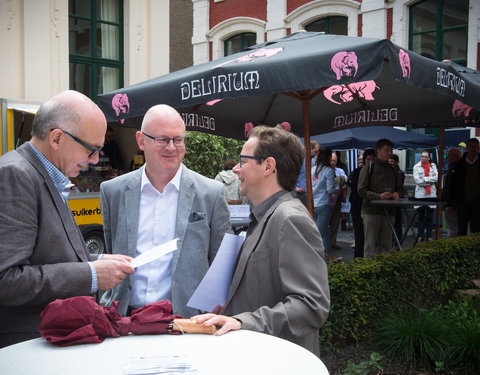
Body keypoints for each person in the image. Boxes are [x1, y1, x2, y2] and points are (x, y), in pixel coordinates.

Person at [0, 90, 134, 348]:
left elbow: (46, 255)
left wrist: (97, 260)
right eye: (91, 149)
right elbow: (7, 280)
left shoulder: (41, 173)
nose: (95, 160)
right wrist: (91, 274)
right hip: (24, 349)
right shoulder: (15, 175)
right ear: (57, 138)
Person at [192, 126, 330, 356]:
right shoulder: (266, 215)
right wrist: (230, 309)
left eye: (243, 161)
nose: (236, 169)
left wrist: (243, 321)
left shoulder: (290, 219)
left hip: (278, 360)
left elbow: (312, 305)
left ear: (268, 166)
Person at [100, 104, 231, 317]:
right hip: (125, 318)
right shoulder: (112, 191)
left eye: (178, 139)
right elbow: (112, 251)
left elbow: (221, 264)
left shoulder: (211, 193)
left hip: (186, 321)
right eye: (162, 139)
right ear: (141, 141)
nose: (171, 147)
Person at [358, 138, 403, 258]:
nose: (389, 153)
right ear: (378, 150)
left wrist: (398, 193)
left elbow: (400, 187)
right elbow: (361, 190)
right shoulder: (368, 167)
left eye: (391, 150)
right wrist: (378, 196)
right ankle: (368, 273)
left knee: (386, 246)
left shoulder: (393, 169)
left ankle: (384, 274)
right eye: (386, 150)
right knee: (370, 246)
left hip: (389, 211)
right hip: (371, 211)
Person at [445, 138, 480, 236]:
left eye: (475, 147)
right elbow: (452, 186)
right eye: (471, 147)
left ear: (478, 148)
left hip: (478, 203)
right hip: (462, 202)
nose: (473, 149)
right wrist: (449, 204)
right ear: (467, 148)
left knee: (477, 231)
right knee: (461, 231)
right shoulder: (459, 165)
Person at [349, 149, 375, 258]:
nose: (370, 162)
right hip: (357, 207)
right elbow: (356, 189)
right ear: (364, 160)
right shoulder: (356, 172)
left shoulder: (376, 173)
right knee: (359, 235)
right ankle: (358, 259)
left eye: (373, 160)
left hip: (371, 208)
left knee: (371, 237)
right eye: (368, 159)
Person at [312, 147, 337, 260]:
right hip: (324, 204)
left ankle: (329, 254)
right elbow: (330, 190)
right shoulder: (328, 170)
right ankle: (313, 258)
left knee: (324, 230)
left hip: (313, 204)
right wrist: (339, 188)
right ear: (327, 157)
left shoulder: (312, 169)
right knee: (319, 234)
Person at [413, 151, 438, 241]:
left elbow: (436, 178)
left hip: (431, 194)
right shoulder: (416, 166)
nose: (423, 158)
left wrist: (424, 179)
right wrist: (429, 181)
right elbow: (417, 181)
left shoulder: (433, 166)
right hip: (420, 194)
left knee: (430, 217)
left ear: (429, 158)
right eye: (422, 156)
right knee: (421, 216)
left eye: (425, 156)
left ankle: (429, 236)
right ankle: (420, 236)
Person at [329, 151, 348, 251]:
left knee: (335, 223)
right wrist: (339, 180)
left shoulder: (340, 170)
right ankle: (325, 244)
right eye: (331, 160)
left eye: (334, 161)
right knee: (326, 223)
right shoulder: (324, 170)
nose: (333, 162)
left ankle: (333, 242)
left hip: (337, 201)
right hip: (326, 201)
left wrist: (338, 179)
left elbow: (346, 179)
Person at [442, 147, 462, 237]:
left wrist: (449, 204)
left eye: (449, 155)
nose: (448, 157)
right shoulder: (454, 168)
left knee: (452, 227)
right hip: (455, 204)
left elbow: (452, 188)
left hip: (453, 205)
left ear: (456, 156)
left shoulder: (455, 169)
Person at [294, 140, 320, 207]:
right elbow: (291, 174)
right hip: (301, 192)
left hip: (309, 192)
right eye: (315, 151)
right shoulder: (300, 159)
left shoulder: (313, 160)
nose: (316, 154)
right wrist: (294, 188)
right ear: (310, 149)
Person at [388, 154, 405, 243]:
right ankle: (391, 242)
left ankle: (397, 242)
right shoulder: (387, 171)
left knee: (397, 222)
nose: (390, 163)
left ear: (396, 162)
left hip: (396, 200)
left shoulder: (400, 173)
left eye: (392, 162)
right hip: (389, 200)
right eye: (389, 162)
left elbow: (400, 187)